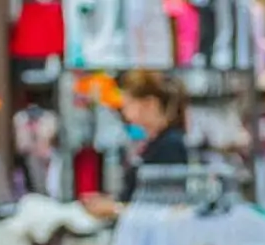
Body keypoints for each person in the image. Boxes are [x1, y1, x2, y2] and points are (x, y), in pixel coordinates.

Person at [80, 71, 189, 219]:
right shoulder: (153, 143)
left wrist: (113, 209)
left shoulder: (170, 145)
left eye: (128, 103)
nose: (124, 111)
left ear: (149, 104)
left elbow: (163, 207)